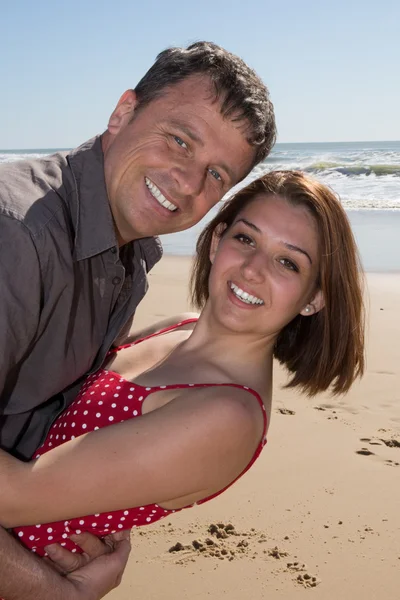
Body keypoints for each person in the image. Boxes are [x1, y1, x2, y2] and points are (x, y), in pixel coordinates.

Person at [0, 42, 276, 598]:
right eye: (179, 139)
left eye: (217, 174)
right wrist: (50, 590)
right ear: (123, 111)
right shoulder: (18, 236)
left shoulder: (130, 257)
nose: (188, 183)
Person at [0, 172, 365, 583]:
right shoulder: (179, 327)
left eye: (288, 262)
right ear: (216, 242)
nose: (251, 270)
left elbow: (12, 498)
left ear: (314, 298)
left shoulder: (227, 416)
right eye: (246, 239)